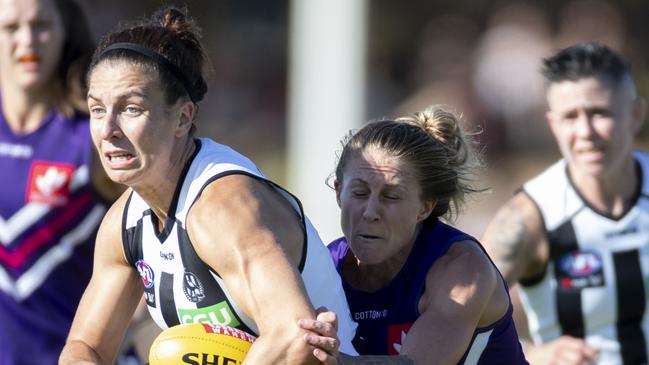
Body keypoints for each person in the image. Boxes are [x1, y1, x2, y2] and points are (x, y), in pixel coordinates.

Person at [59, 5, 357, 364]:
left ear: (183, 118)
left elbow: (295, 336)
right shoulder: (126, 222)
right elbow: (84, 348)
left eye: (131, 109)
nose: (108, 131)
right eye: (97, 110)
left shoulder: (223, 208)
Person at [300, 106, 528, 364]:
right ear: (339, 192)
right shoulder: (326, 267)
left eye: (392, 196)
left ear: (425, 207)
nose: (370, 212)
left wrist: (334, 361)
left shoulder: (462, 269)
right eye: (359, 193)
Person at [481, 42, 647, 365]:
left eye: (599, 113)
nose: (585, 132)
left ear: (635, 115)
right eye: (570, 117)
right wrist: (531, 354)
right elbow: (460, 318)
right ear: (553, 125)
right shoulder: (530, 215)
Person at [0, 0, 131, 364]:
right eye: (10, 28)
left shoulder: (99, 133)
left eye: (41, 25)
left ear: (64, 30)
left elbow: (160, 239)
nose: (27, 40)